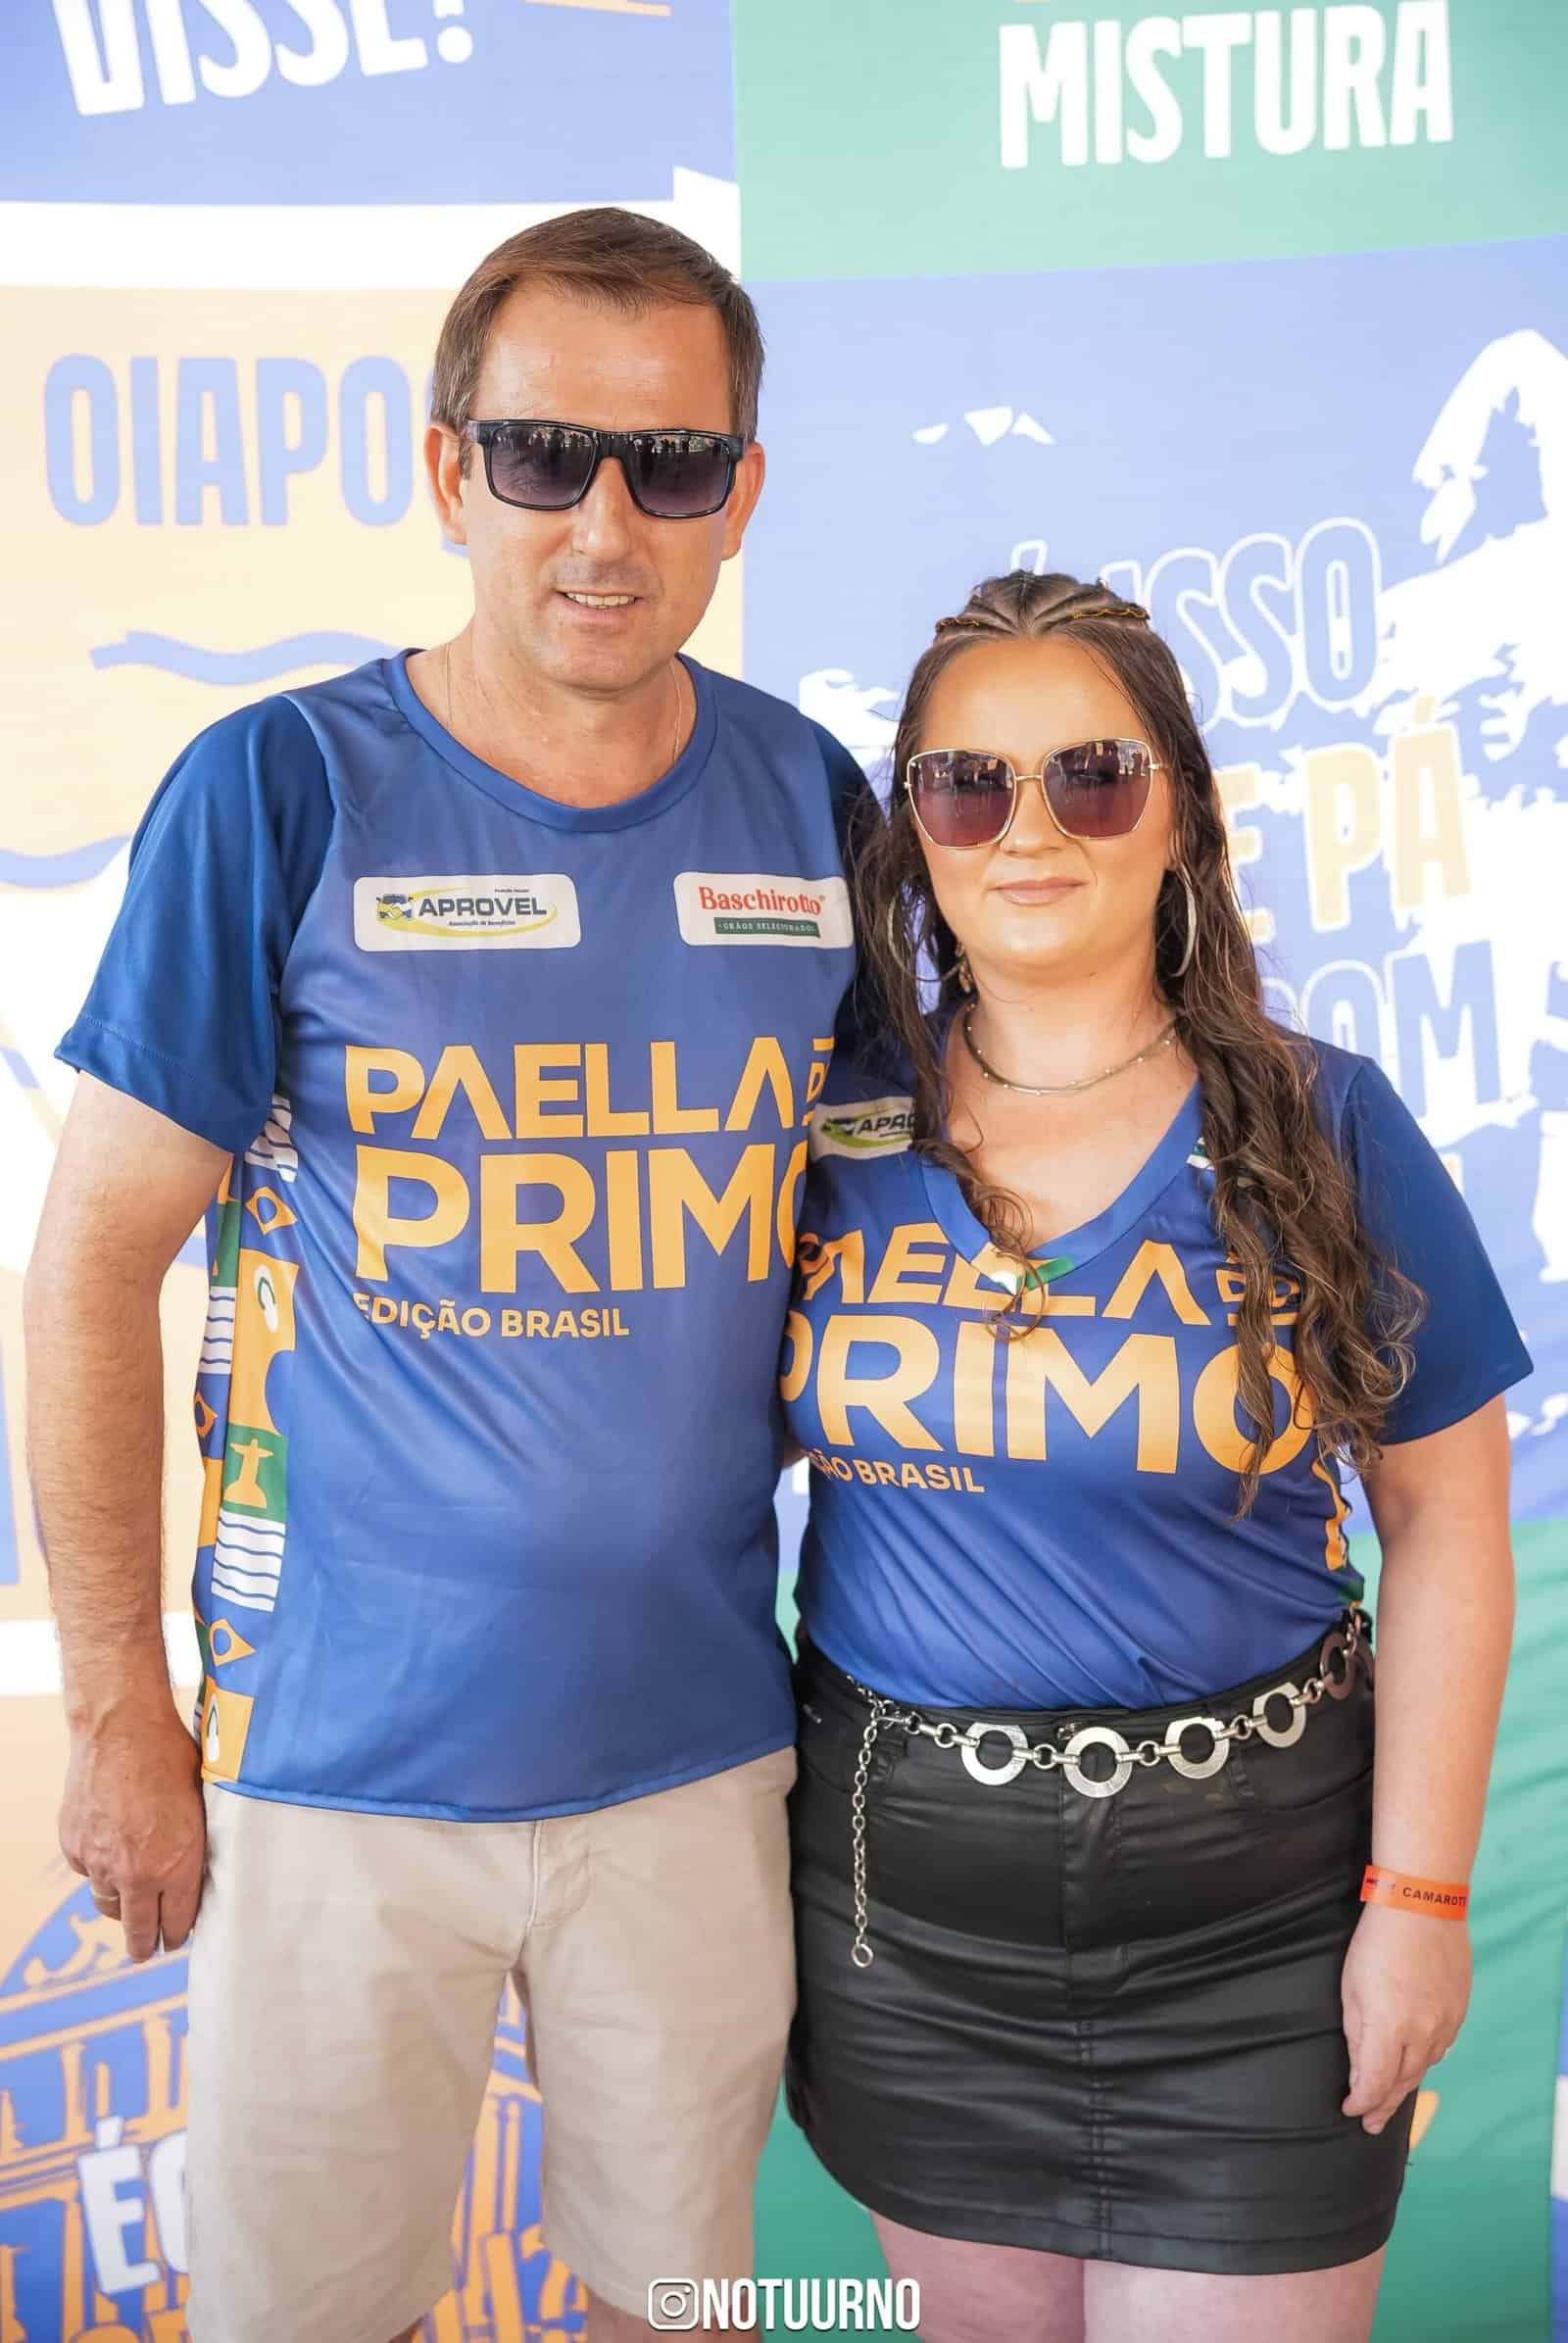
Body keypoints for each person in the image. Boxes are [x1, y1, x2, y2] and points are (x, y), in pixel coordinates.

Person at [24, 207, 864, 2343]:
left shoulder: (812, 798)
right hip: (331, 1766)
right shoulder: (280, 787)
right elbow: (93, 1265)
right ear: (444, 471)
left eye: (671, 464)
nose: (605, 523)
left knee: (686, 2307)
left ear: (741, 492)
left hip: (696, 1753)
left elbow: (898, 1252)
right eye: (543, 455)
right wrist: (122, 1711)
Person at [779, 570, 1529, 2343]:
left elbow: (1446, 1522)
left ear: (1179, 809)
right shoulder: (820, 1124)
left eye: (1093, 777)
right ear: (914, 833)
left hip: (1261, 1946)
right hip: (907, 1942)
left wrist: (1421, 1898)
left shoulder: (1325, 1123)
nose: (1029, 828)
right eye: (969, 785)